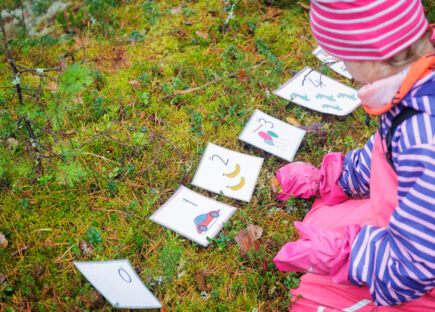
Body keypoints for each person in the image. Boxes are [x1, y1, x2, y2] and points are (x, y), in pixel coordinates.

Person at [271, 0, 435, 310]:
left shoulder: (425, 140)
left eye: (344, 59)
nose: (347, 71)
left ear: (368, 57)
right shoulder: (417, 85)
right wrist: (336, 177)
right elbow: (386, 153)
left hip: (422, 271)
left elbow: (417, 265)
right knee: (324, 221)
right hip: (422, 227)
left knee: (310, 298)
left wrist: (346, 255)